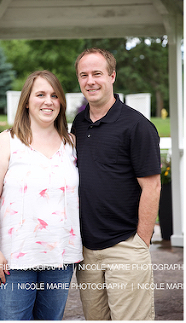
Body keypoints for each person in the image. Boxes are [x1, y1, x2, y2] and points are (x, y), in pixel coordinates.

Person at [0, 70, 83, 320]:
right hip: (15, 259)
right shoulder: (8, 141)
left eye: (54, 95)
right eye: (41, 94)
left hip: (61, 258)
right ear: (27, 101)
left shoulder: (71, 144)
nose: (48, 101)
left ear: (61, 103)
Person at [71, 48, 161, 320]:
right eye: (83, 75)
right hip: (86, 251)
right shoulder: (79, 123)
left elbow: (152, 187)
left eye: (97, 74)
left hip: (125, 246)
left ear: (112, 76)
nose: (90, 81)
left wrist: (141, 241)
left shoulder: (136, 126)